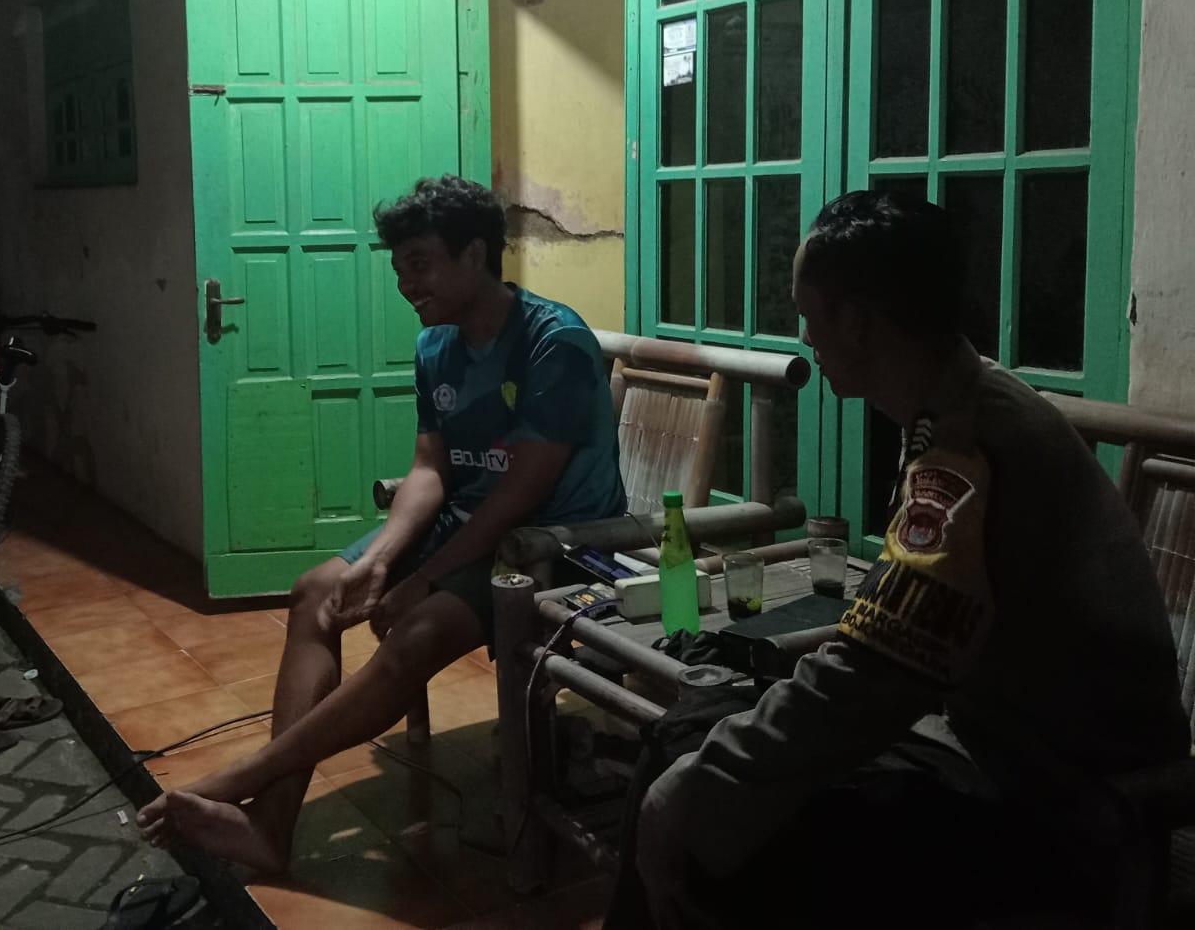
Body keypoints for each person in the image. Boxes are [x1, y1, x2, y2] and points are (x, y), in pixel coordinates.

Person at [633, 191, 1188, 928]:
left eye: (808, 314)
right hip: (990, 743)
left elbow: (880, 674)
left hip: (1064, 802)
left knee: (707, 812)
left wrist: (688, 799)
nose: (805, 336)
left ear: (857, 322)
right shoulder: (959, 402)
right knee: (693, 734)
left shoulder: (967, 449)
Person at [138, 175, 626, 871]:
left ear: (475, 254)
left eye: (420, 265)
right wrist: (380, 561)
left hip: (553, 544)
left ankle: (241, 780)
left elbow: (520, 495)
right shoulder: (437, 346)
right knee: (317, 591)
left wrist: (424, 580)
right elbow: (429, 469)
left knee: (417, 631)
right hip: (471, 523)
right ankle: (270, 825)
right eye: (398, 268)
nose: (405, 285)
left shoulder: (554, 342)